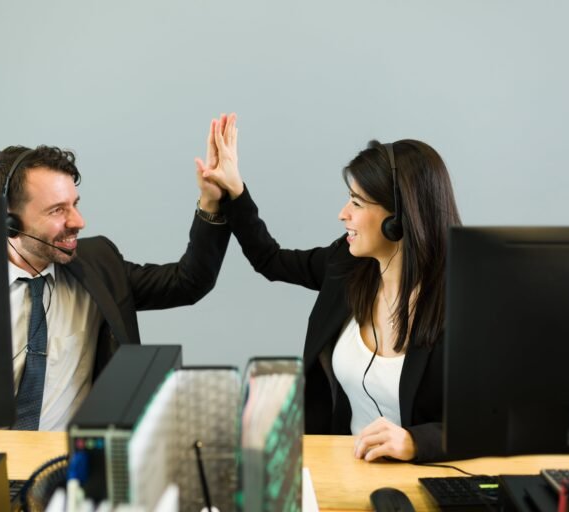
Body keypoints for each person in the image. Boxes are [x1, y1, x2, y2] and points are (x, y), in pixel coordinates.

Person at [0, 144, 231, 446]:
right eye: (57, 210)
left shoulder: (100, 265)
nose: (79, 221)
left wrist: (212, 201)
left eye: (75, 204)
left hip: (68, 472)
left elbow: (190, 281)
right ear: (8, 221)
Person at [196, 114, 460, 462]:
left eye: (358, 202)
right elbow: (270, 259)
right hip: (339, 471)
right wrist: (234, 191)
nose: (342, 213)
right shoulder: (346, 266)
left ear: (398, 219)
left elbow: (491, 421)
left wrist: (415, 442)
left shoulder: (461, 305)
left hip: (419, 481)